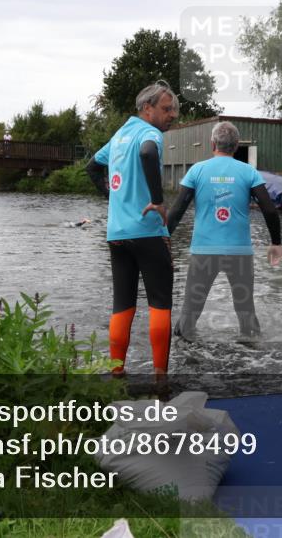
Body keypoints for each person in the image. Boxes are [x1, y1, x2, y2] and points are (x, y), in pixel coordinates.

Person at [85, 80, 179, 381]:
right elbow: (149, 154)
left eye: (174, 110)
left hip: (117, 235)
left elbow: (91, 167)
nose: (173, 115)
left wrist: (110, 198)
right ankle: (161, 378)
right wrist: (158, 201)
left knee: (122, 304)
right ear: (147, 108)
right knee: (160, 303)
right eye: (167, 109)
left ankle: (117, 373)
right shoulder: (149, 133)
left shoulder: (119, 136)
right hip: (148, 232)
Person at [167, 121, 282, 341]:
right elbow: (269, 209)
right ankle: (249, 363)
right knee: (245, 311)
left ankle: (183, 360)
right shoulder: (248, 172)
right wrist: (276, 243)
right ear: (236, 146)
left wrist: (164, 241)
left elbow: (177, 210)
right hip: (239, 253)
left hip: (204, 252)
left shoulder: (197, 170)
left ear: (212, 143)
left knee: (190, 312)